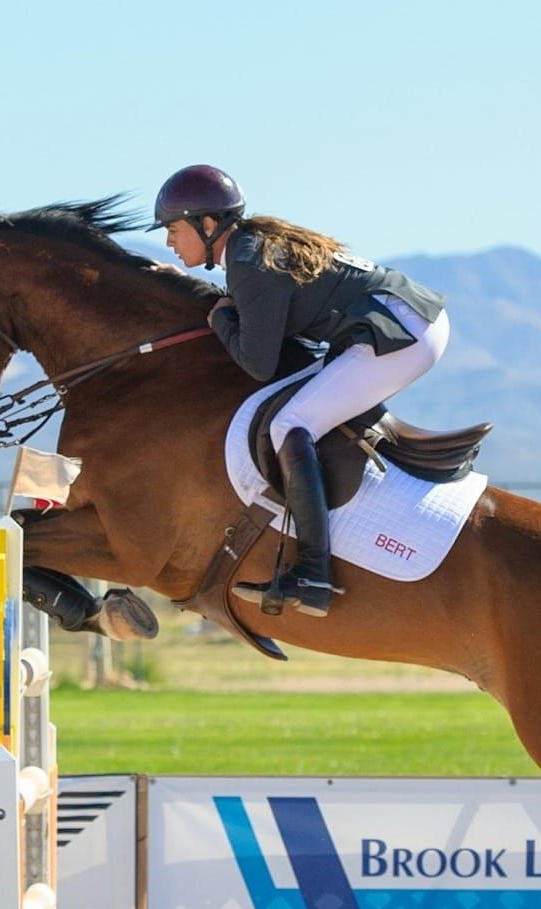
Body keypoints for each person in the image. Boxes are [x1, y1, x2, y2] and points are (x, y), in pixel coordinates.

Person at [154, 164, 450, 617]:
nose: (170, 242)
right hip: (405, 321)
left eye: (174, 230)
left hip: (401, 332)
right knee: (302, 412)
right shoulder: (251, 249)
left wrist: (219, 321)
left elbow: (258, 364)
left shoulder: (249, 259)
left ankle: (313, 572)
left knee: (291, 423)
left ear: (207, 225)